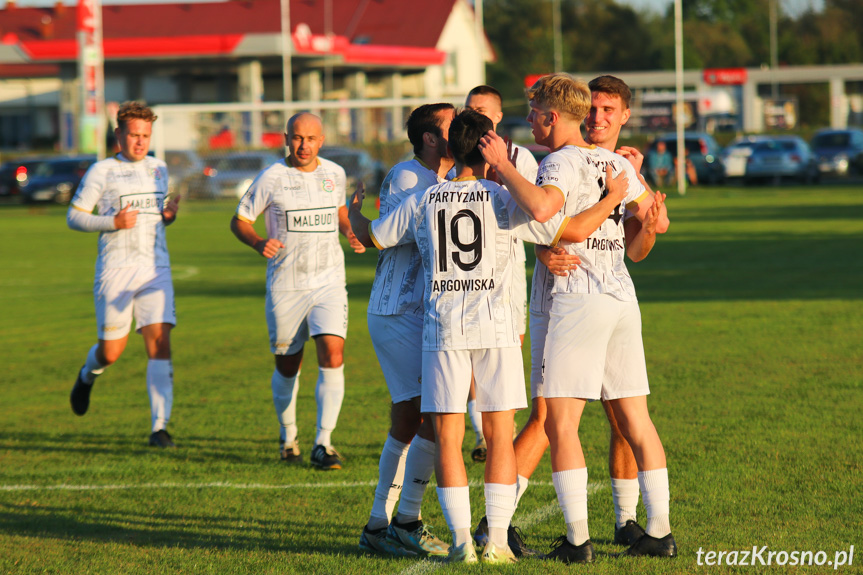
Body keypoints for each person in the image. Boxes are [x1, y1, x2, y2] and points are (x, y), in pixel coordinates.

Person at [350, 109, 586, 564]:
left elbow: (375, 239)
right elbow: (555, 224)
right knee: (499, 434)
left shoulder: (424, 200)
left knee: (449, 434)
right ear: (485, 148)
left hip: (442, 329)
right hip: (496, 328)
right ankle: (495, 541)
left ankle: (461, 542)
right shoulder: (502, 198)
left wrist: (354, 215)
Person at [479, 73, 677, 563]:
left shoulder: (557, 163)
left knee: (559, 425)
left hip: (575, 298)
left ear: (550, 118)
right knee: (637, 419)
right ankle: (659, 532)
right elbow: (643, 235)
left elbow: (546, 211)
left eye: (533, 114)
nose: (529, 122)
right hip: (620, 297)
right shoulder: (614, 162)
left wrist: (503, 167)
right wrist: (646, 219)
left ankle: (576, 541)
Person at [229, 112, 364, 470]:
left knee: (333, 354)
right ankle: (288, 435)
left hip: (329, 281)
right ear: (286, 138)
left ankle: (324, 442)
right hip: (286, 285)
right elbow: (239, 221)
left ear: (322, 141)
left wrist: (349, 231)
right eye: (296, 138)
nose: (303, 145)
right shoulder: (272, 177)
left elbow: (339, 213)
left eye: (311, 139)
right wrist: (258, 242)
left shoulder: (334, 174)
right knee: (288, 365)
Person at [358, 103, 455, 558]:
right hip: (399, 308)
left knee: (416, 416)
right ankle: (404, 521)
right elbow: (390, 234)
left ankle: (382, 525)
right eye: (452, 123)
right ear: (431, 138)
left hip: (427, 313)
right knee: (434, 413)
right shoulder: (409, 179)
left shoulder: (453, 179)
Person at [67, 101, 182, 448]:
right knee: (111, 352)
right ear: (118, 134)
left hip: (155, 270)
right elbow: (74, 216)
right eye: (133, 135)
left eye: (145, 135)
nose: (140, 142)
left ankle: (159, 428)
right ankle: (88, 375)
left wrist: (169, 216)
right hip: (115, 271)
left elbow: (158, 216)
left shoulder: (159, 168)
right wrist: (111, 222)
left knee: (160, 344)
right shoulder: (102, 171)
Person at [462, 85, 539, 464]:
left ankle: (495, 429)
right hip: (462, 276)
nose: (473, 115)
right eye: (468, 109)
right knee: (471, 348)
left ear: (495, 116)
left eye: (480, 110)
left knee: (507, 347)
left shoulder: (520, 158)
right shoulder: (455, 157)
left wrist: (547, 247)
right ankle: (483, 432)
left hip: (508, 273)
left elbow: (534, 213)